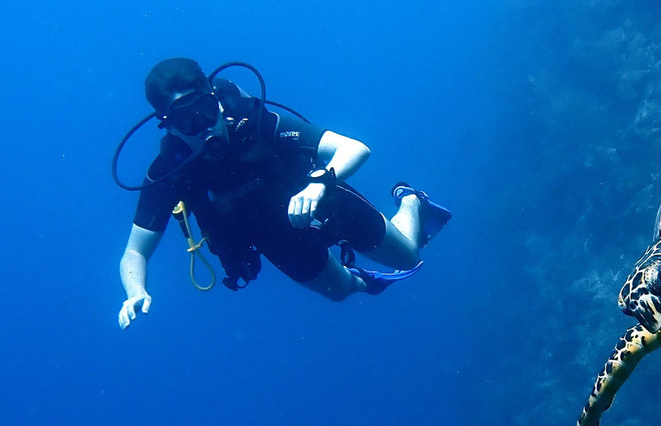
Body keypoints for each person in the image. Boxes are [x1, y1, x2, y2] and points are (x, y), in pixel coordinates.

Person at [117, 57, 451, 329]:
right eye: (186, 121)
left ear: (217, 101)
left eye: (205, 109)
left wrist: (319, 184)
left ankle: (410, 200)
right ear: (169, 125)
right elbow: (135, 252)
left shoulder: (253, 121)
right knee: (342, 291)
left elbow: (354, 148)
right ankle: (362, 279)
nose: (204, 125)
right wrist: (135, 291)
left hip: (323, 202)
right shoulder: (170, 172)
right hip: (274, 236)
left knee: (408, 257)